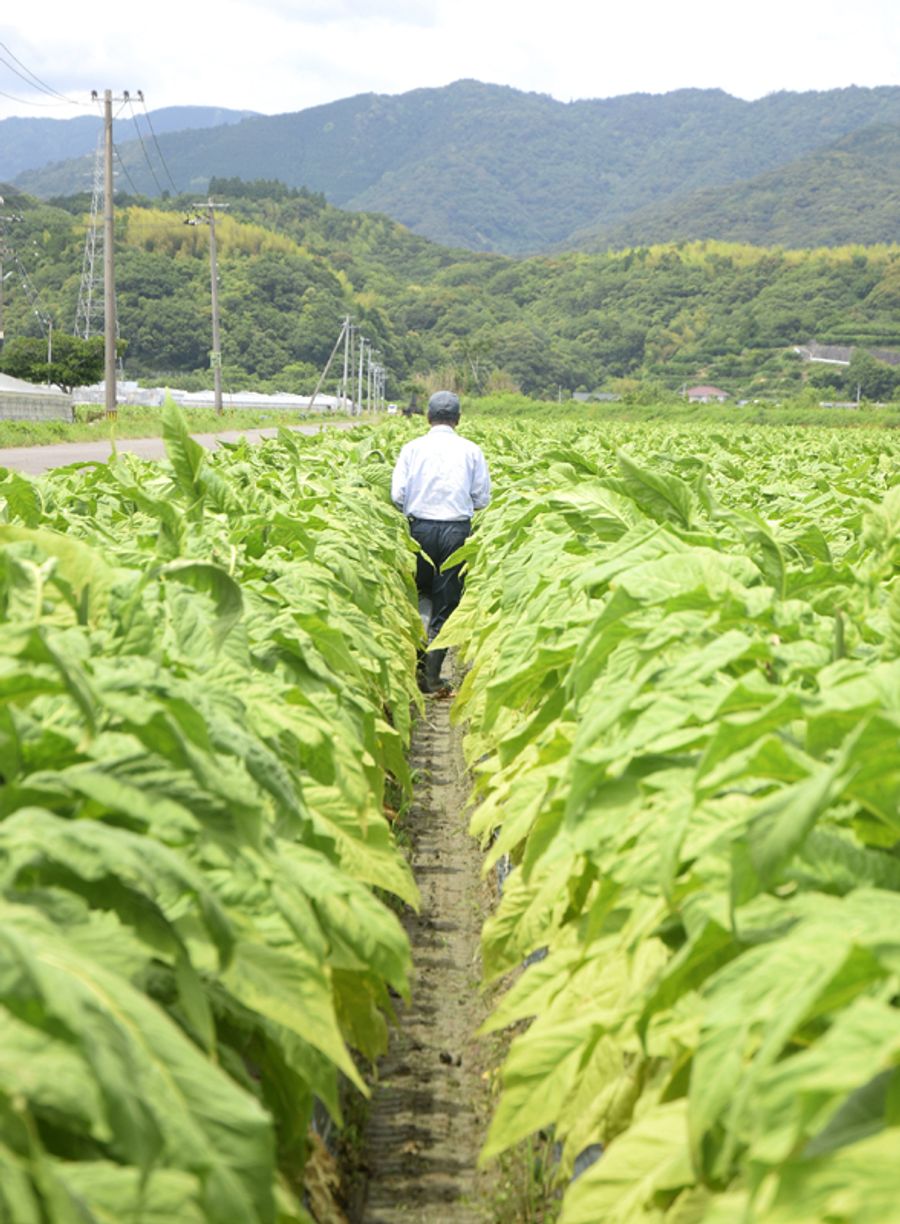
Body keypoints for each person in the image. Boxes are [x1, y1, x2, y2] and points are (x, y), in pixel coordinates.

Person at [391, 390, 491, 692]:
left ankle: (417, 665)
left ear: (428, 417)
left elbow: (398, 495)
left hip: (419, 529)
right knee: (447, 601)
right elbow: (482, 498)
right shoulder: (471, 450)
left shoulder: (412, 449)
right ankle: (432, 677)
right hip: (455, 532)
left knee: (421, 593)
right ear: (458, 419)